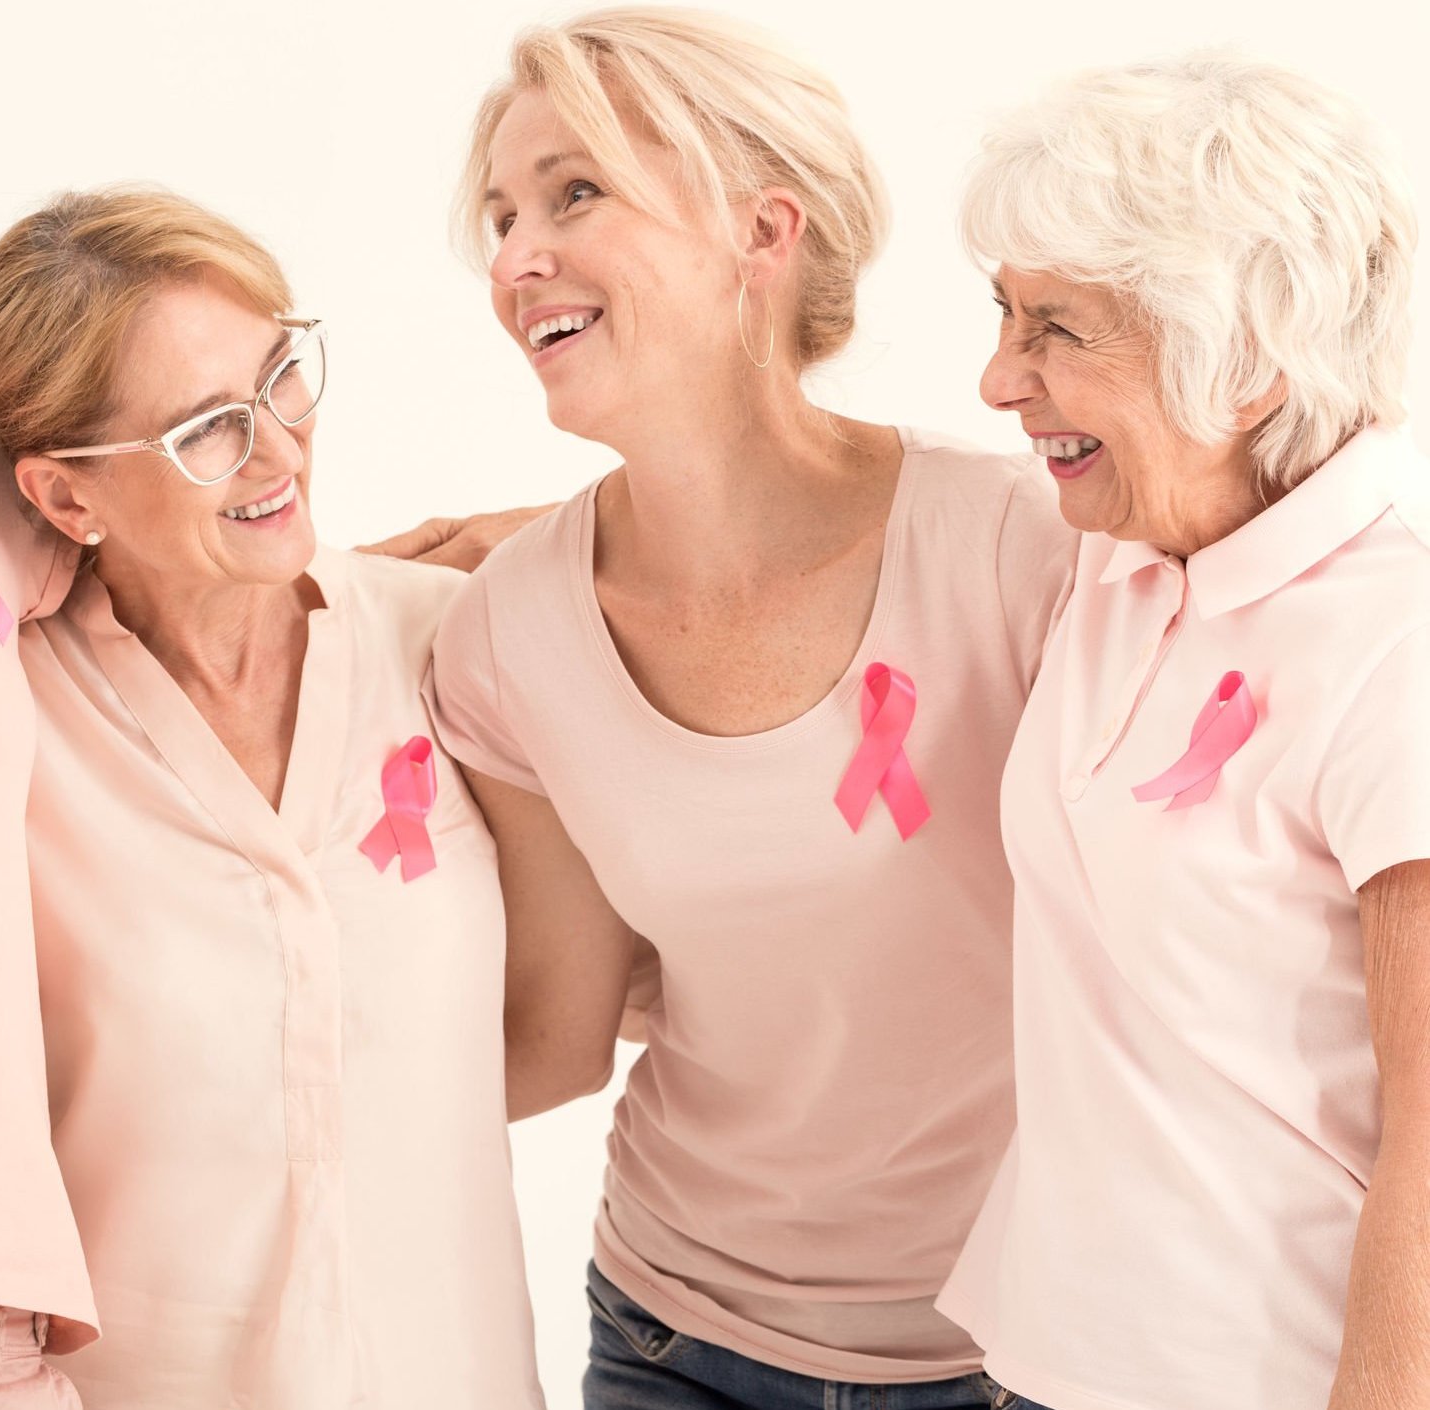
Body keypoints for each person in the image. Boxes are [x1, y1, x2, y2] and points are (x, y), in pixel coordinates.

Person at [426, 10, 1075, 1408]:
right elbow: (553, 1027)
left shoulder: (1017, 547)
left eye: (574, 192)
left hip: (1018, 1350)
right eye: (500, 215)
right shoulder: (509, 634)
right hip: (675, 1330)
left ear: (762, 232)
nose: (515, 255)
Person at [0, 187, 543, 1408]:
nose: (279, 449)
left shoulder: (449, 644)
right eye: (205, 431)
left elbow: (559, 1027)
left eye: (281, 377)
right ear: (68, 499)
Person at [939, 54, 1429, 1410]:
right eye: (1004, 315)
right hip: (1035, 1366)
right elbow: (837, 516)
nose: (998, 377)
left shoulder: (1400, 648)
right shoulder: (1116, 551)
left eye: (1058, 331)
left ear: (1250, 363)